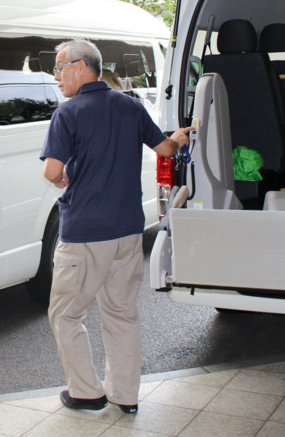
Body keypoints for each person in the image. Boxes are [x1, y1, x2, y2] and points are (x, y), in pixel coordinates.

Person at [41, 39, 193, 414]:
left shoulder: (69, 113)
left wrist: (61, 176)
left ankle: (86, 391)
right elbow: (165, 150)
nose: (56, 76)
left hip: (85, 235)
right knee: (121, 315)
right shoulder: (130, 106)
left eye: (59, 67)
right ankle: (125, 396)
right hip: (127, 232)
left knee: (65, 314)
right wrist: (177, 138)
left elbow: (52, 171)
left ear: (80, 66)